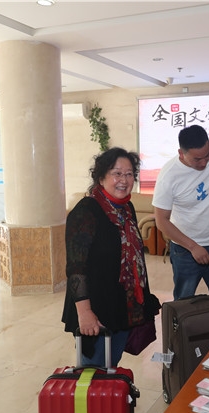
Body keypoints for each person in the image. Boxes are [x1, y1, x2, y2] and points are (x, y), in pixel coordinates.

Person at [62, 147, 160, 366]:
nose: (123, 180)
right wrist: (85, 312)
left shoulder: (126, 208)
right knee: (93, 371)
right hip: (96, 309)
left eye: (129, 174)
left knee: (111, 366)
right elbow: (76, 268)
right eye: (117, 173)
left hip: (122, 307)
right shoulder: (86, 211)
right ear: (101, 177)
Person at [153, 124, 209, 300]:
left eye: (207, 155)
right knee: (184, 303)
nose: (204, 162)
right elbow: (161, 221)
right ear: (181, 153)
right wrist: (193, 247)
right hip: (185, 251)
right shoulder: (169, 176)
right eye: (197, 159)